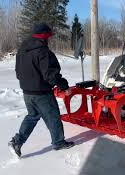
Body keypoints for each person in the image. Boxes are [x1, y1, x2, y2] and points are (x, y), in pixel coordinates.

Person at [8, 23, 75, 158]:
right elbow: (51, 75)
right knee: (53, 118)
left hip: (27, 93)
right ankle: (58, 142)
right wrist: (64, 86)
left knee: (32, 117)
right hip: (42, 94)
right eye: (49, 36)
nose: (49, 39)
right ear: (45, 37)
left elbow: (18, 73)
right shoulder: (43, 52)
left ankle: (17, 141)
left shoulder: (22, 51)